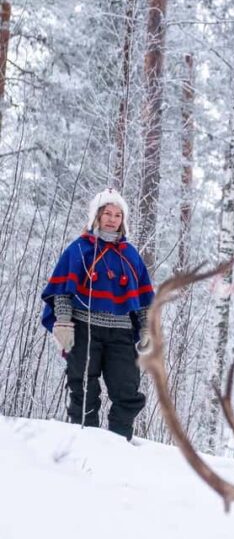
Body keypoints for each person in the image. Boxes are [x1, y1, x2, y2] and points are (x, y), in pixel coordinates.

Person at [41, 188, 154, 441]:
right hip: (84, 329)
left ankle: (119, 443)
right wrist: (63, 323)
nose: (112, 219)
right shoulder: (79, 249)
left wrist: (146, 328)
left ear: (123, 220)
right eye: (107, 213)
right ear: (96, 216)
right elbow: (63, 291)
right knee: (83, 389)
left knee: (127, 391)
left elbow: (142, 298)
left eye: (117, 215)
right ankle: (86, 444)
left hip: (121, 333)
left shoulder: (130, 254)